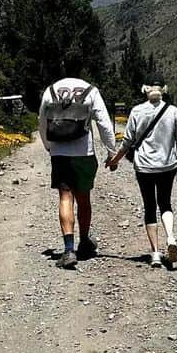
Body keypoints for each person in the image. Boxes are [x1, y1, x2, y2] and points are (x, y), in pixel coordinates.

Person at [107, 73, 177, 268]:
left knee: (150, 207)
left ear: (145, 89)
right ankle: (171, 237)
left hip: (145, 167)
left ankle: (156, 254)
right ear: (164, 89)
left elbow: (127, 142)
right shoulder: (173, 111)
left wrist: (115, 161)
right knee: (165, 203)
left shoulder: (137, 111)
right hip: (168, 165)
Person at [39, 76, 117, 269]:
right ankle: (84, 242)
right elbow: (104, 122)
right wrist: (111, 151)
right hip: (84, 153)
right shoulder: (90, 90)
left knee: (65, 197)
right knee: (84, 198)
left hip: (59, 152)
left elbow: (42, 122)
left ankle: (68, 250)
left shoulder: (51, 90)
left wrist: (49, 146)